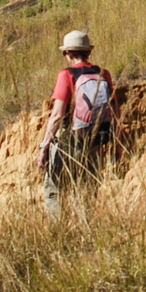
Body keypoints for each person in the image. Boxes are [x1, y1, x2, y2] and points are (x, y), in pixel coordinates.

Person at [36, 30, 117, 214]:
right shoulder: (104, 74)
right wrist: (116, 146)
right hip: (98, 139)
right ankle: (86, 233)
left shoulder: (66, 75)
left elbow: (57, 115)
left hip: (70, 140)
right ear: (88, 52)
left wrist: (44, 147)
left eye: (65, 53)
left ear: (70, 53)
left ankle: (57, 234)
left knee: (54, 190)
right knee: (88, 191)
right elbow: (114, 112)